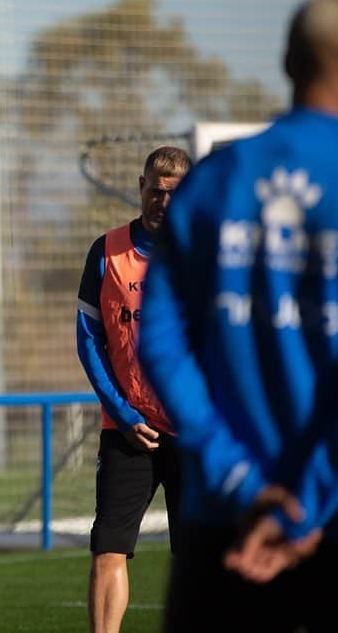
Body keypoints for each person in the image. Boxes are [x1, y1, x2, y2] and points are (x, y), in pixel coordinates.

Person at [139, 0, 338, 632]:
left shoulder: (211, 183)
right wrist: (308, 502)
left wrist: (240, 478)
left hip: (226, 519)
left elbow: (160, 342)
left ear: (287, 63)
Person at [75, 146, 191, 633]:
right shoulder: (107, 251)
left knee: (200, 559)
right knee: (108, 549)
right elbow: (89, 340)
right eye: (156, 190)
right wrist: (122, 413)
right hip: (128, 430)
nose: (163, 201)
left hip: (196, 435)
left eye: (175, 193)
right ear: (141, 186)